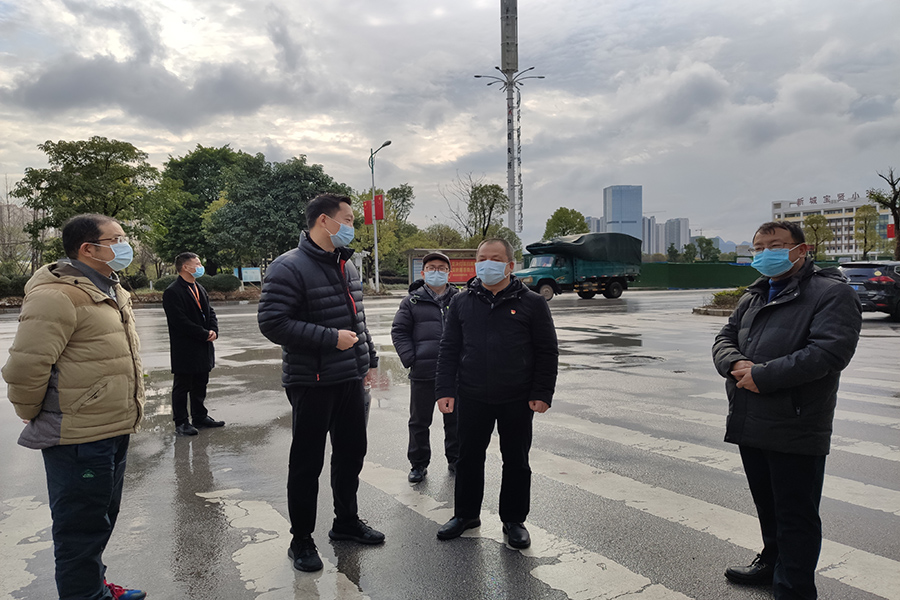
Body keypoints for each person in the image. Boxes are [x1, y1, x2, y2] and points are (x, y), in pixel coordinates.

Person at [712, 221, 861, 600]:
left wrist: (763, 376)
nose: (766, 254)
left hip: (797, 421)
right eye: (759, 247)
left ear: (801, 249)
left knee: (796, 513)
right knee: (768, 504)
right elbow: (724, 337)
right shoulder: (754, 295)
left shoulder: (831, 293)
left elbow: (829, 353)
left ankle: (794, 588)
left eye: (776, 245)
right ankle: (771, 562)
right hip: (749, 415)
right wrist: (733, 363)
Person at [2, 213, 147, 600]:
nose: (125, 246)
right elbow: (25, 366)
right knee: (79, 531)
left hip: (112, 426)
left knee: (100, 520)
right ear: (88, 249)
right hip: (78, 435)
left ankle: (95, 587)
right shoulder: (57, 295)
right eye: (117, 239)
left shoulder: (109, 288)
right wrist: (32, 411)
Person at [257, 192, 383, 573]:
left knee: (351, 453)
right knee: (306, 463)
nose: (352, 227)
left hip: (350, 378)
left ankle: (346, 522)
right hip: (311, 382)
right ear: (324, 221)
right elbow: (273, 323)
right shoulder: (288, 267)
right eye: (348, 219)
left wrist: (369, 360)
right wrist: (330, 338)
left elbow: (357, 320)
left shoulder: (348, 266)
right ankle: (301, 540)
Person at [434, 238, 558, 550]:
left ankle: (514, 520)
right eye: (482, 258)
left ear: (510, 265)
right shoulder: (461, 302)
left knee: (516, 459)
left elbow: (547, 351)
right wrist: (445, 389)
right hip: (471, 394)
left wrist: (542, 391)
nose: (487, 264)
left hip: (517, 396)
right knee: (468, 458)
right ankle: (465, 515)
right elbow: (449, 349)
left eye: (495, 258)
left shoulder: (532, 303)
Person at [391, 251, 460, 483]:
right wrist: (412, 358)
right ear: (423, 272)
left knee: (455, 420)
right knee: (419, 422)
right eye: (431, 268)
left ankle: (456, 459)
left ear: (449, 273)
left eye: (441, 268)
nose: (436, 272)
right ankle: (418, 464)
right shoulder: (412, 301)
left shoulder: (460, 299)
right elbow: (399, 331)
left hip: (454, 373)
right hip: (423, 372)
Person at [163, 252, 223, 436]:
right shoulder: (173, 291)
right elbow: (179, 321)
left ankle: (200, 416)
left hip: (203, 345)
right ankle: (181, 422)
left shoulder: (199, 287)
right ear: (185, 267)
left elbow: (210, 312)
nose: (200, 267)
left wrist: (213, 329)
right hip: (186, 347)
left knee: (200, 382)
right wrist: (203, 334)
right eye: (197, 264)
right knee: (182, 386)